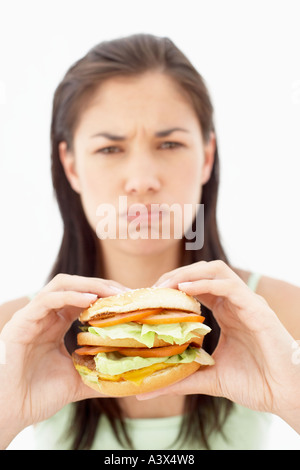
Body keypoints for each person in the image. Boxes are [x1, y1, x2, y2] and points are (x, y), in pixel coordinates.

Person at [0, 33, 299, 450]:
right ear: (70, 165)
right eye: (110, 149)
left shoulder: (280, 318)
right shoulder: (14, 336)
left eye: (170, 143)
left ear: (207, 156)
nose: (142, 180)